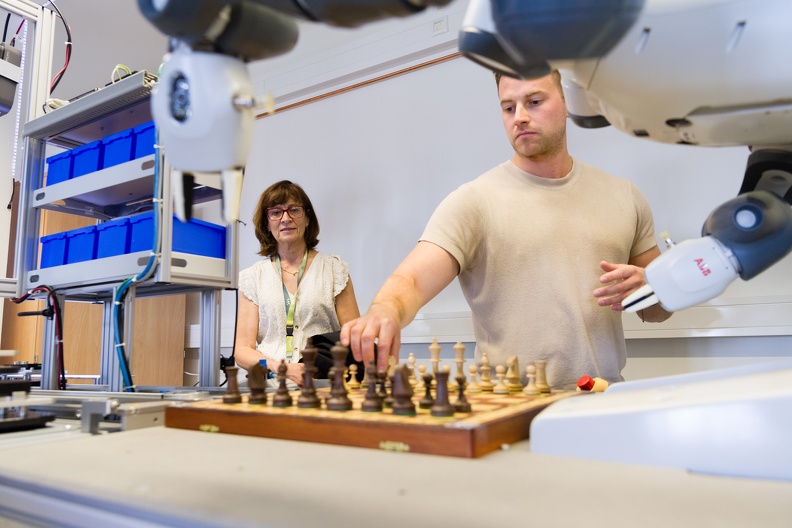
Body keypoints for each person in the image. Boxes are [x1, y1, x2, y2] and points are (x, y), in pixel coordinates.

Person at [341, 71, 672, 389]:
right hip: (512, 410)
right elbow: (410, 281)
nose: (520, 117)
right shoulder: (473, 202)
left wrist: (654, 286)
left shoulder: (623, 196)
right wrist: (384, 311)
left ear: (569, 101)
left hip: (603, 399)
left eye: (535, 102)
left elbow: (657, 312)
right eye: (509, 107)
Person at [235, 180, 360, 386]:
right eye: (276, 212)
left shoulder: (334, 270)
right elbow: (242, 351)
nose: (286, 218)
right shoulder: (253, 278)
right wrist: (280, 368)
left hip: (322, 381)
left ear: (307, 218)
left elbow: (354, 338)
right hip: (270, 381)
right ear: (267, 223)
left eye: (294, 210)